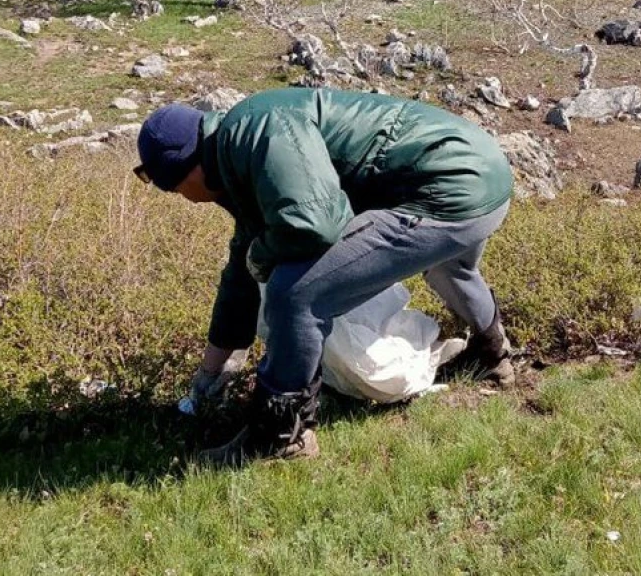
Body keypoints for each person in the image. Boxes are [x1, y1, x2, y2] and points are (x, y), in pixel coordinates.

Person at [135, 87, 515, 466]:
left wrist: (260, 255)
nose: (179, 198)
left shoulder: (257, 131)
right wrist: (210, 371)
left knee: (295, 293)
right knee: (453, 268)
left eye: (171, 187)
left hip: (449, 187)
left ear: (184, 168)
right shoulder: (241, 148)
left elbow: (314, 226)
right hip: (483, 171)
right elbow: (240, 278)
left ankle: (281, 436)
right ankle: (493, 355)